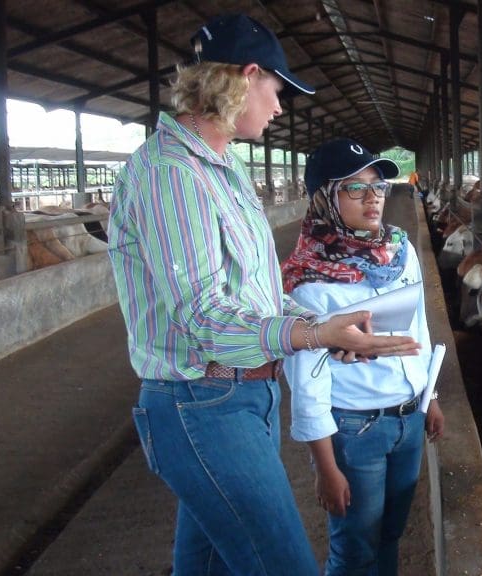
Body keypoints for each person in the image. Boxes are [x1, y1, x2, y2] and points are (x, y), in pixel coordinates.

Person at [107, 14, 420, 575]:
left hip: (246, 395)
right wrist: (314, 332)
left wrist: (327, 330)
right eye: (276, 90)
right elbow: (202, 316)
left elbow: (261, 297)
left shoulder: (225, 171)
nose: (279, 107)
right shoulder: (173, 174)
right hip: (202, 401)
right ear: (247, 77)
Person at [282, 137, 446, 575]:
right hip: (356, 429)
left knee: (390, 534)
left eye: (378, 187)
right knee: (355, 549)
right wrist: (324, 466)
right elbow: (306, 380)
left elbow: (419, 327)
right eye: (355, 188)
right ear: (324, 198)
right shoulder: (309, 280)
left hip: (408, 419)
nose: (373, 198)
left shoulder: (400, 249)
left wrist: (429, 395)